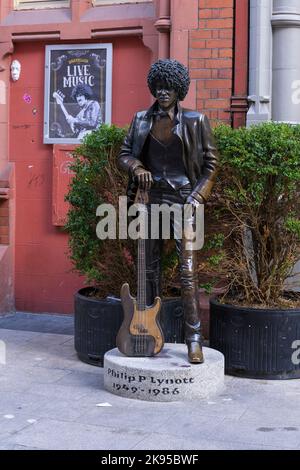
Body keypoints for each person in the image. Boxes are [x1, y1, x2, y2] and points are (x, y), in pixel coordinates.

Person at [118, 59, 219, 363]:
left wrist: (198, 196)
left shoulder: (195, 121)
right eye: (159, 86)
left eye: (169, 87)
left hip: (183, 199)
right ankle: (147, 331)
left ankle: (194, 339)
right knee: (147, 269)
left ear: (179, 89)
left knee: (187, 273)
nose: (163, 92)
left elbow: (212, 164)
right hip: (149, 199)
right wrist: (136, 167)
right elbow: (125, 154)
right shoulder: (140, 120)